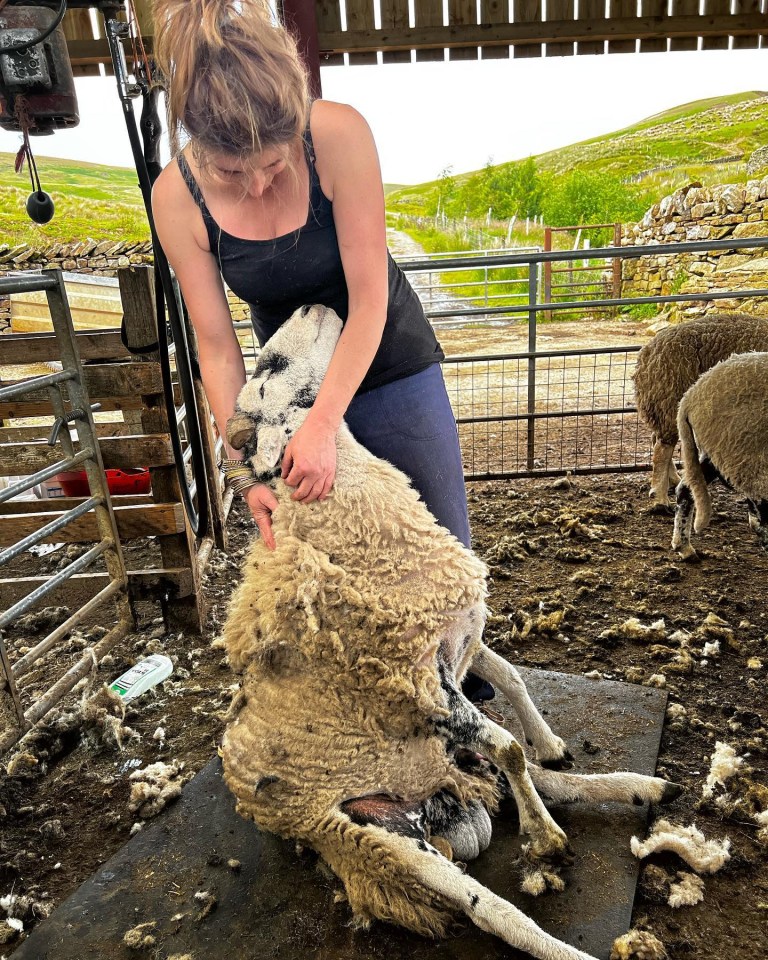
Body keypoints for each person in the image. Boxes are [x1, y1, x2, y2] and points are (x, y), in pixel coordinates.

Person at [150, 0, 493, 703]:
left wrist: (325, 426)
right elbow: (217, 350)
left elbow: (368, 300)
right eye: (228, 171)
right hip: (291, 382)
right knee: (325, 554)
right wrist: (246, 470)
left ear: (295, 123)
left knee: (438, 547)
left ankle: (463, 699)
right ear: (196, 146)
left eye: (273, 164)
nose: (256, 185)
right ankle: (383, 713)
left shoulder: (337, 135)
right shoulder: (175, 198)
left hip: (388, 358)